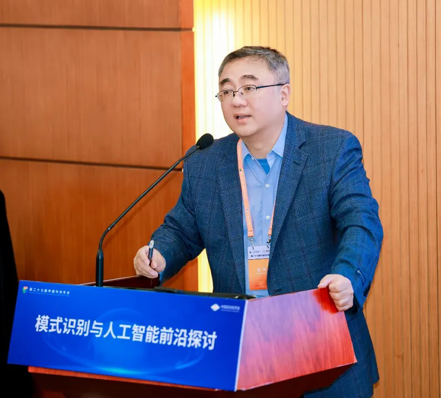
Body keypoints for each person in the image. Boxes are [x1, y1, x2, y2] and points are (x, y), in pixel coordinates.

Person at [133, 46, 383, 398]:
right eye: (227, 90)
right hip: (242, 348)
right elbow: (181, 230)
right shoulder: (206, 161)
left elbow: (361, 222)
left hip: (320, 343)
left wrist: (347, 275)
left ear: (284, 94)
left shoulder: (331, 149)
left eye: (249, 87)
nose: (237, 100)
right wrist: (157, 255)